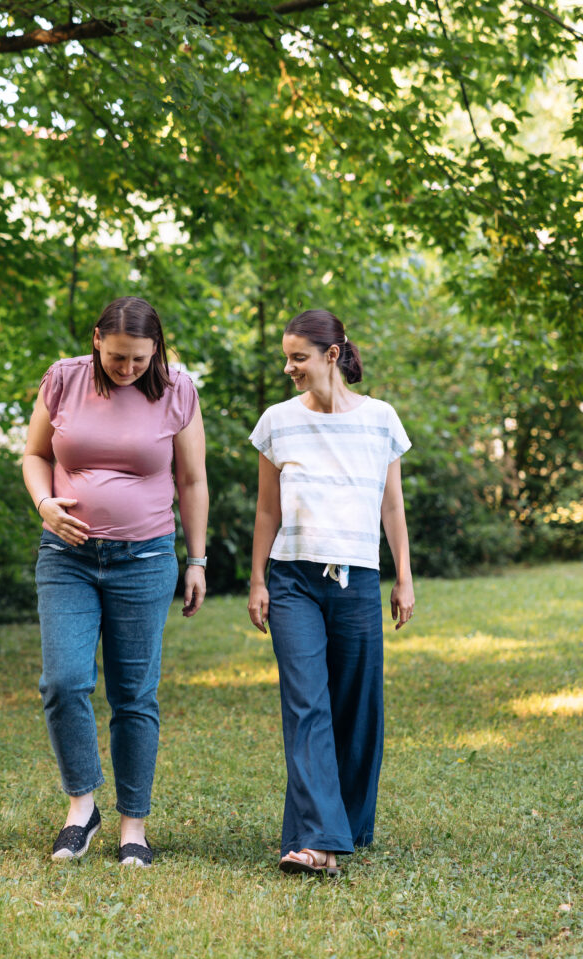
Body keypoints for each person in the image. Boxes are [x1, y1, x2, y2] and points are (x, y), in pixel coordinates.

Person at [23, 296, 208, 868]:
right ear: (97, 338)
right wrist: (44, 503)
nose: (128, 369)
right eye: (118, 357)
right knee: (63, 681)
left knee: (134, 694)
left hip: (145, 558)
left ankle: (134, 824)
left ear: (155, 351)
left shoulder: (176, 389)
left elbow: (193, 480)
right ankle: (83, 807)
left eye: (139, 359)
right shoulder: (64, 379)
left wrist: (196, 560)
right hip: (67, 556)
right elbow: (33, 454)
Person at [247, 309, 414, 876]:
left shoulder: (381, 420)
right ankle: (320, 840)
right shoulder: (277, 421)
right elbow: (267, 508)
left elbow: (392, 506)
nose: (288, 367)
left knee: (357, 707)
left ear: (331, 356)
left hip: (358, 578)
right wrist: (257, 580)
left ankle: (347, 823)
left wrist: (404, 577)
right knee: (306, 703)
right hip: (293, 579)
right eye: (286, 356)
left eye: (298, 356)